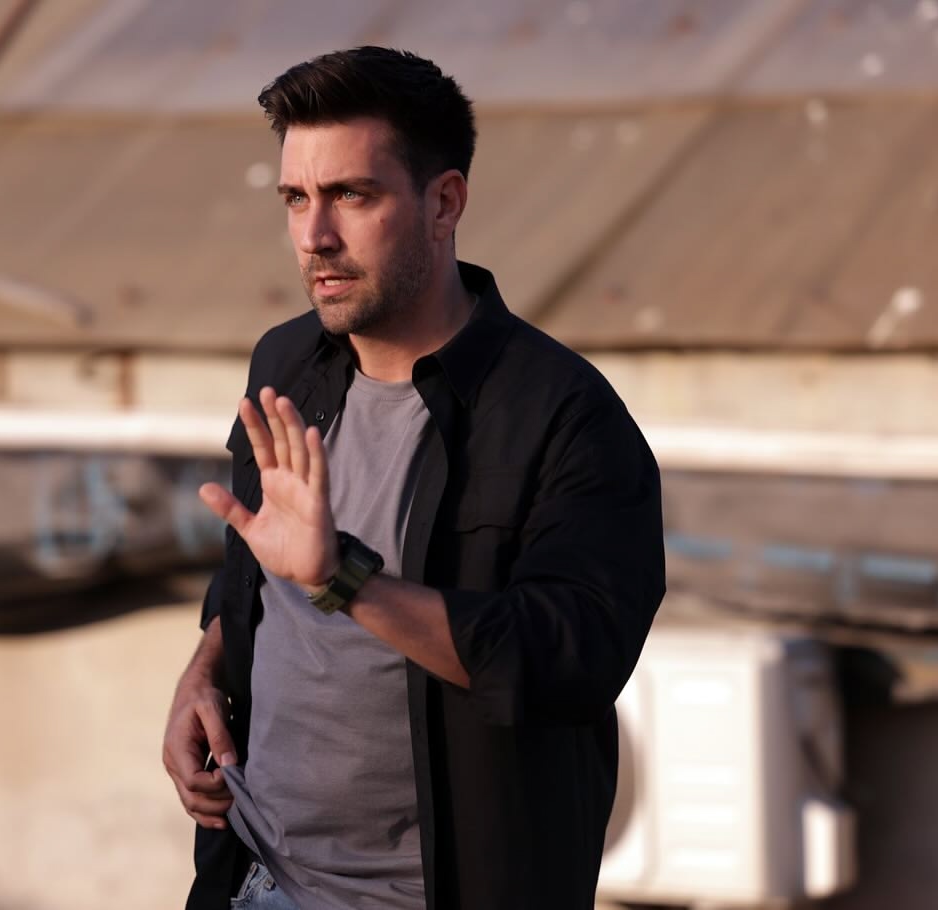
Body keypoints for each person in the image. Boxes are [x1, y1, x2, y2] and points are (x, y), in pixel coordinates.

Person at [162, 46, 665, 910]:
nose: (315, 236)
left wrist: (343, 580)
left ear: (444, 202)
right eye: (295, 198)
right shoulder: (286, 362)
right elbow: (255, 564)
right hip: (253, 878)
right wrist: (204, 667)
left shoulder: (562, 415)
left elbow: (566, 661)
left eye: (352, 195)